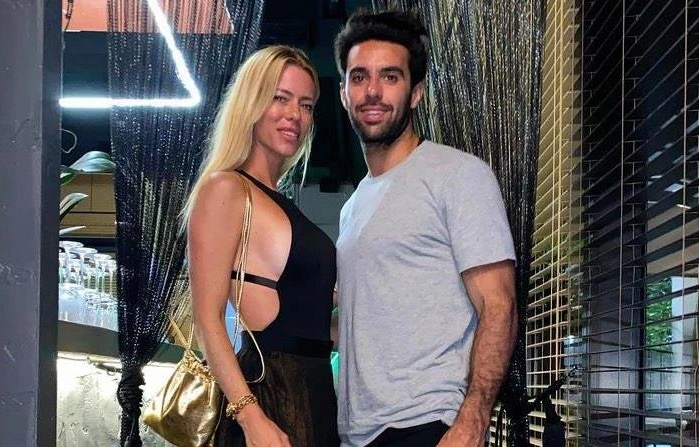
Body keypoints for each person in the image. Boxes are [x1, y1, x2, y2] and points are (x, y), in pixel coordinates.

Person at [333, 10, 518, 447]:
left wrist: (471, 422)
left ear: (416, 92)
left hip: (429, 423)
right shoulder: (352, 208)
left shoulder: (458, 175)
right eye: (359, 77)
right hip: (357, 433)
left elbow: (500, 306)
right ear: (343, 94)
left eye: (390, 76)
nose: (372, 91)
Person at [183, 45, 339, 447]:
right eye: (280, 98)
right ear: (251, 103)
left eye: (306, 105)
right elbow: (207, 319)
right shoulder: (226, 188)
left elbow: (313, 323)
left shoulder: (281, 200)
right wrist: (251, 418)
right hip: (270, 396)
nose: (295, 115)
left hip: (315, 392)